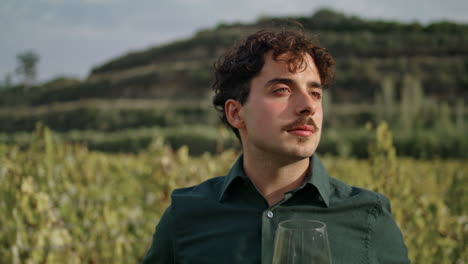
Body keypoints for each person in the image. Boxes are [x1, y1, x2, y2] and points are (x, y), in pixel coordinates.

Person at [142, 30, 410, 264]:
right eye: (282, 90)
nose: (308, 105)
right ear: (236, 113)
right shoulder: (185, 216)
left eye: (315, 93)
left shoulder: (369, 217)